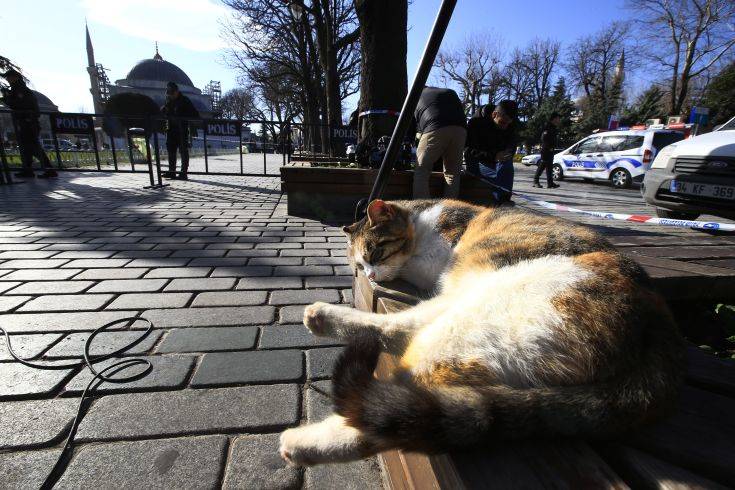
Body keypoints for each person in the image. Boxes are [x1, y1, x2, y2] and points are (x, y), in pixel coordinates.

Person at [0, 68, 56, 179]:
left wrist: (7, 100)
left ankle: (49, 170)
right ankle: (28, 170)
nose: (8, 79)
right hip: (25, 122)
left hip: (28, 122)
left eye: (9, 77)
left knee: (33, 148)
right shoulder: (18, 89)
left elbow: (20, 104)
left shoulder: (21, 90)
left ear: (15, 78)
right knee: (27, 149)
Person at [412, 87, 467, 199]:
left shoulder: (416, 96)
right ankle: (449, 210)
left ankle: (422, 210)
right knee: (452, 173)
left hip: (434, 126)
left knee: (422, 169)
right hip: (461, 129)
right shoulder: (449, 91)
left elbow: (415, 127)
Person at [464, 100, 518, 202]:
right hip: (477, 161)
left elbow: (512, 145)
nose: (505, 126)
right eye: (502, 122)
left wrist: (508, 153)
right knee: (501, 175)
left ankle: (503, 200)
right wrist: (494, 156)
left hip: (496, 163)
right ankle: (500, 201)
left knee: (506, 164)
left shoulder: (510, 124)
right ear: (494, 114)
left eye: (508, 123)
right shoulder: (476, 123)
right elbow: (468, 151)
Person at [161, 81, 199, 180]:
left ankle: (183, 173)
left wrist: (182, 117)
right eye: (169, 93)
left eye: (172, 93)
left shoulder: (185, 100)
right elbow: (164, 112)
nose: (170, 95)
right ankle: (172, 172)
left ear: (177, 91)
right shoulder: (168, 101)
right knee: (171, 151)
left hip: (182, 130)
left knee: (183, 151)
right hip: (171, 130)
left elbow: (195, 114)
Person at [533, 112, 561, 189]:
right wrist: (549, 147)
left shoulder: (553, 127)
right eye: (558, 118)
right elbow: (544, 138)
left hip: (551, 149)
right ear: (554, 119)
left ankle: (550, 183)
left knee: (549, 167)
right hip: (546, 149)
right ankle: (535, 181)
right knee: (542, 165)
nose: (559, 120)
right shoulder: (547, 126)